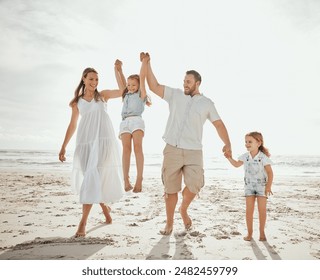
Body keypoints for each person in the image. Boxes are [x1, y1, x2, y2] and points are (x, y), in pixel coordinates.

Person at [141, 52, 232, 235]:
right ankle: (169, 223)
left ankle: (183, 209)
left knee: (195, 184)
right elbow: (154, 85)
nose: (185, 84)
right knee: (170, 189)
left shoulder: (207, 103)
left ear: (197, 83)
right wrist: (147, 63)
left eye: (188, 82)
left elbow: (219, 124)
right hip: (172, 149)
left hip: (194, 152)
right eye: (184, 81)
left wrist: (227, 143)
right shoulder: (175, 95)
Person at [59, 67, 125, 237]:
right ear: (84, 79)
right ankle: (106, 210)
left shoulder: (103, 96)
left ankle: (83, 222)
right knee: (93, 178)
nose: (94, 83)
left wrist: (119, 70)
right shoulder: (77, 102)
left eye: (96, 80)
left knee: (91, 177)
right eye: (91, 79)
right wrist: (64, 146)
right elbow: (72, 125)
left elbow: (123, 90)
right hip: (85, 144)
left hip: (103, 143)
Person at [226, 131, 273, 241]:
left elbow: (270, 173)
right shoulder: (245, 157)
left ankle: (262, 233)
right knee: (249, 211)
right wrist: (229, 157)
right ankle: (250, 234)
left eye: (250, 141)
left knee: (262, 210)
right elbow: (236, 165)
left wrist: (268, 186)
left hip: (262, 186)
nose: (247, 144)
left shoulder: (263, 157)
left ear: (258, 143)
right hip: (249, 187)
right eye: (246, 142)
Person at [114, 57, 151, 193]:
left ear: (139, 85)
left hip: (136, 120)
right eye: (129, 85)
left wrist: (143, 62)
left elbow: (142, 76)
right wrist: (118, 69)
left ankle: (139, 178)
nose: (130, 87)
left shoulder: (141, 94)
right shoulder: (125, 94)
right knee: (126, 150)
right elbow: (121, 82)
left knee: (137, 148)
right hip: (125, 123)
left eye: (133, 85)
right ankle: (126, 180)